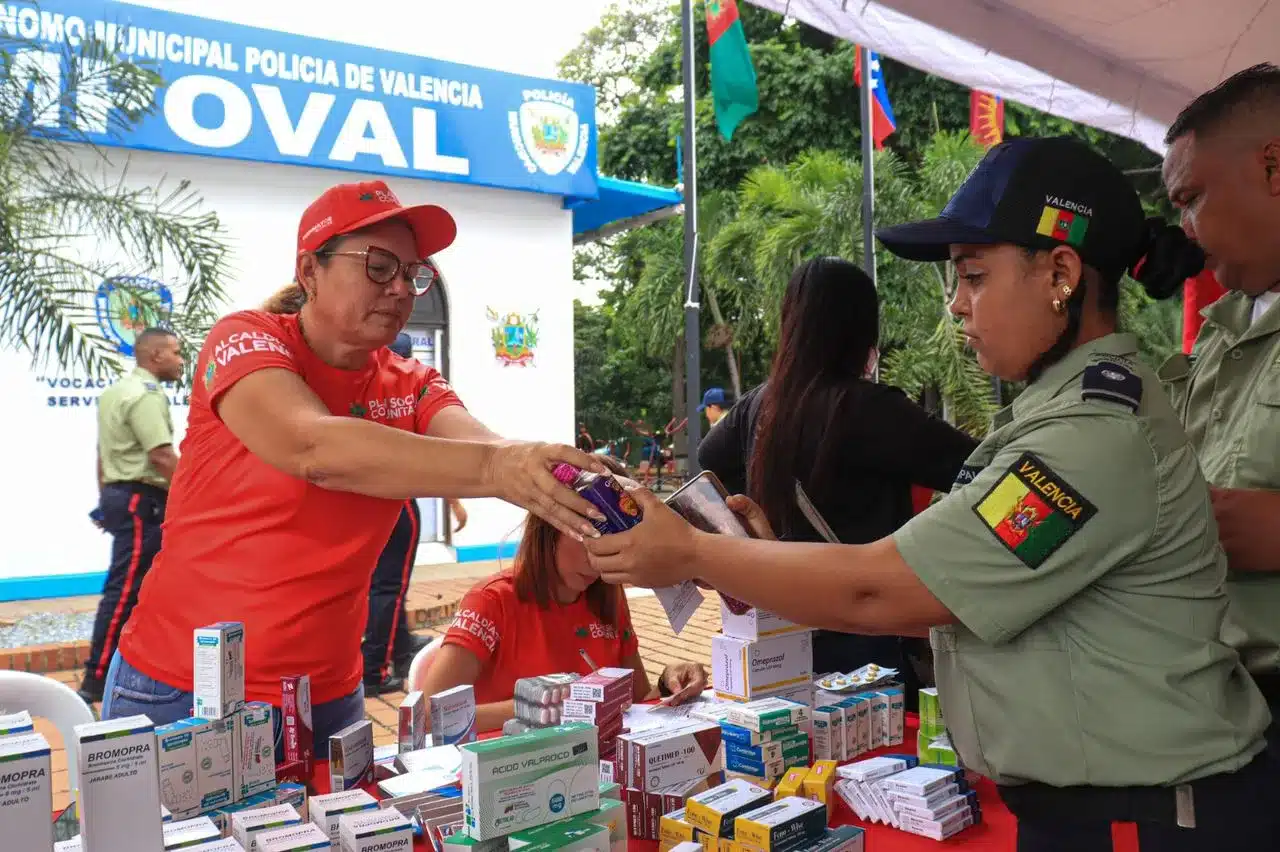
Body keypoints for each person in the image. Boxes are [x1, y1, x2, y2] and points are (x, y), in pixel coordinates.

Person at [586, 137, 1280, 850]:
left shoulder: (1089, 440)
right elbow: (955, 598)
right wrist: (759, 563)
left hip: (1149, 820)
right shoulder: (1051, 420)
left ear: (1061, 274)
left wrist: (694, 552)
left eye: (974, 276)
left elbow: (884, 591)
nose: (956, 306)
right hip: (1113, 810)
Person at [101, 179, 606, 754]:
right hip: (185, 688)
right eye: (379, 266)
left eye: (413, 274)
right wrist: (502, 468)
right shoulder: (244, 340)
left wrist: (584, 487)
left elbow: (484, 446)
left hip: (328, 697)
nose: (401, 289)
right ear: (310, 271)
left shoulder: (411, 383)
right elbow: (312, 448)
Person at [697, 257, 977, 691]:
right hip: (864, 634)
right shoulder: (870, 409)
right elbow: (982, 470)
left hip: (777, 629)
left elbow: (707, 459)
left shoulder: (759, 405)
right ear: (862, 329)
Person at [1157, 63, 1280, 741]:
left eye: (1192, 197)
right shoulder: (1223, 329)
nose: (1186, 227)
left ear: (1273, 168)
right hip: (1224, 708)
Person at [412, 458, 707, 731]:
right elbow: (428, 716)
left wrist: (671, 681)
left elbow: (637, 701)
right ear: (550, 525)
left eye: (616, 541)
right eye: (590, 536)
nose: (599, 557)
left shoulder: (608, 597)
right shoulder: (492, 602)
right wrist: (549, 704)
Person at [79, 327, 184, 703]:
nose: (181, 361)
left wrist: (106, 499)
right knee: (126, 590)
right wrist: (199, 494)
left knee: (138, 587)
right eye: (176, 353)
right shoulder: (145, 396)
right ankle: (97, 677)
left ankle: (127, 667)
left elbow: (102, 455)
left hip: (122, 494)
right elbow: (160, 456)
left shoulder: (115, 392)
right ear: (155, 357)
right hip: (143, 500)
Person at [362, 333, 466, 695]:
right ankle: (375, 670)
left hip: (367, 500)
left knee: (381, 584)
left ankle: (400, 646)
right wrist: (453, 499)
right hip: (397, 502)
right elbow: (434, 455)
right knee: (390, 586)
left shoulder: (358, 390)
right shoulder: (402, 397)